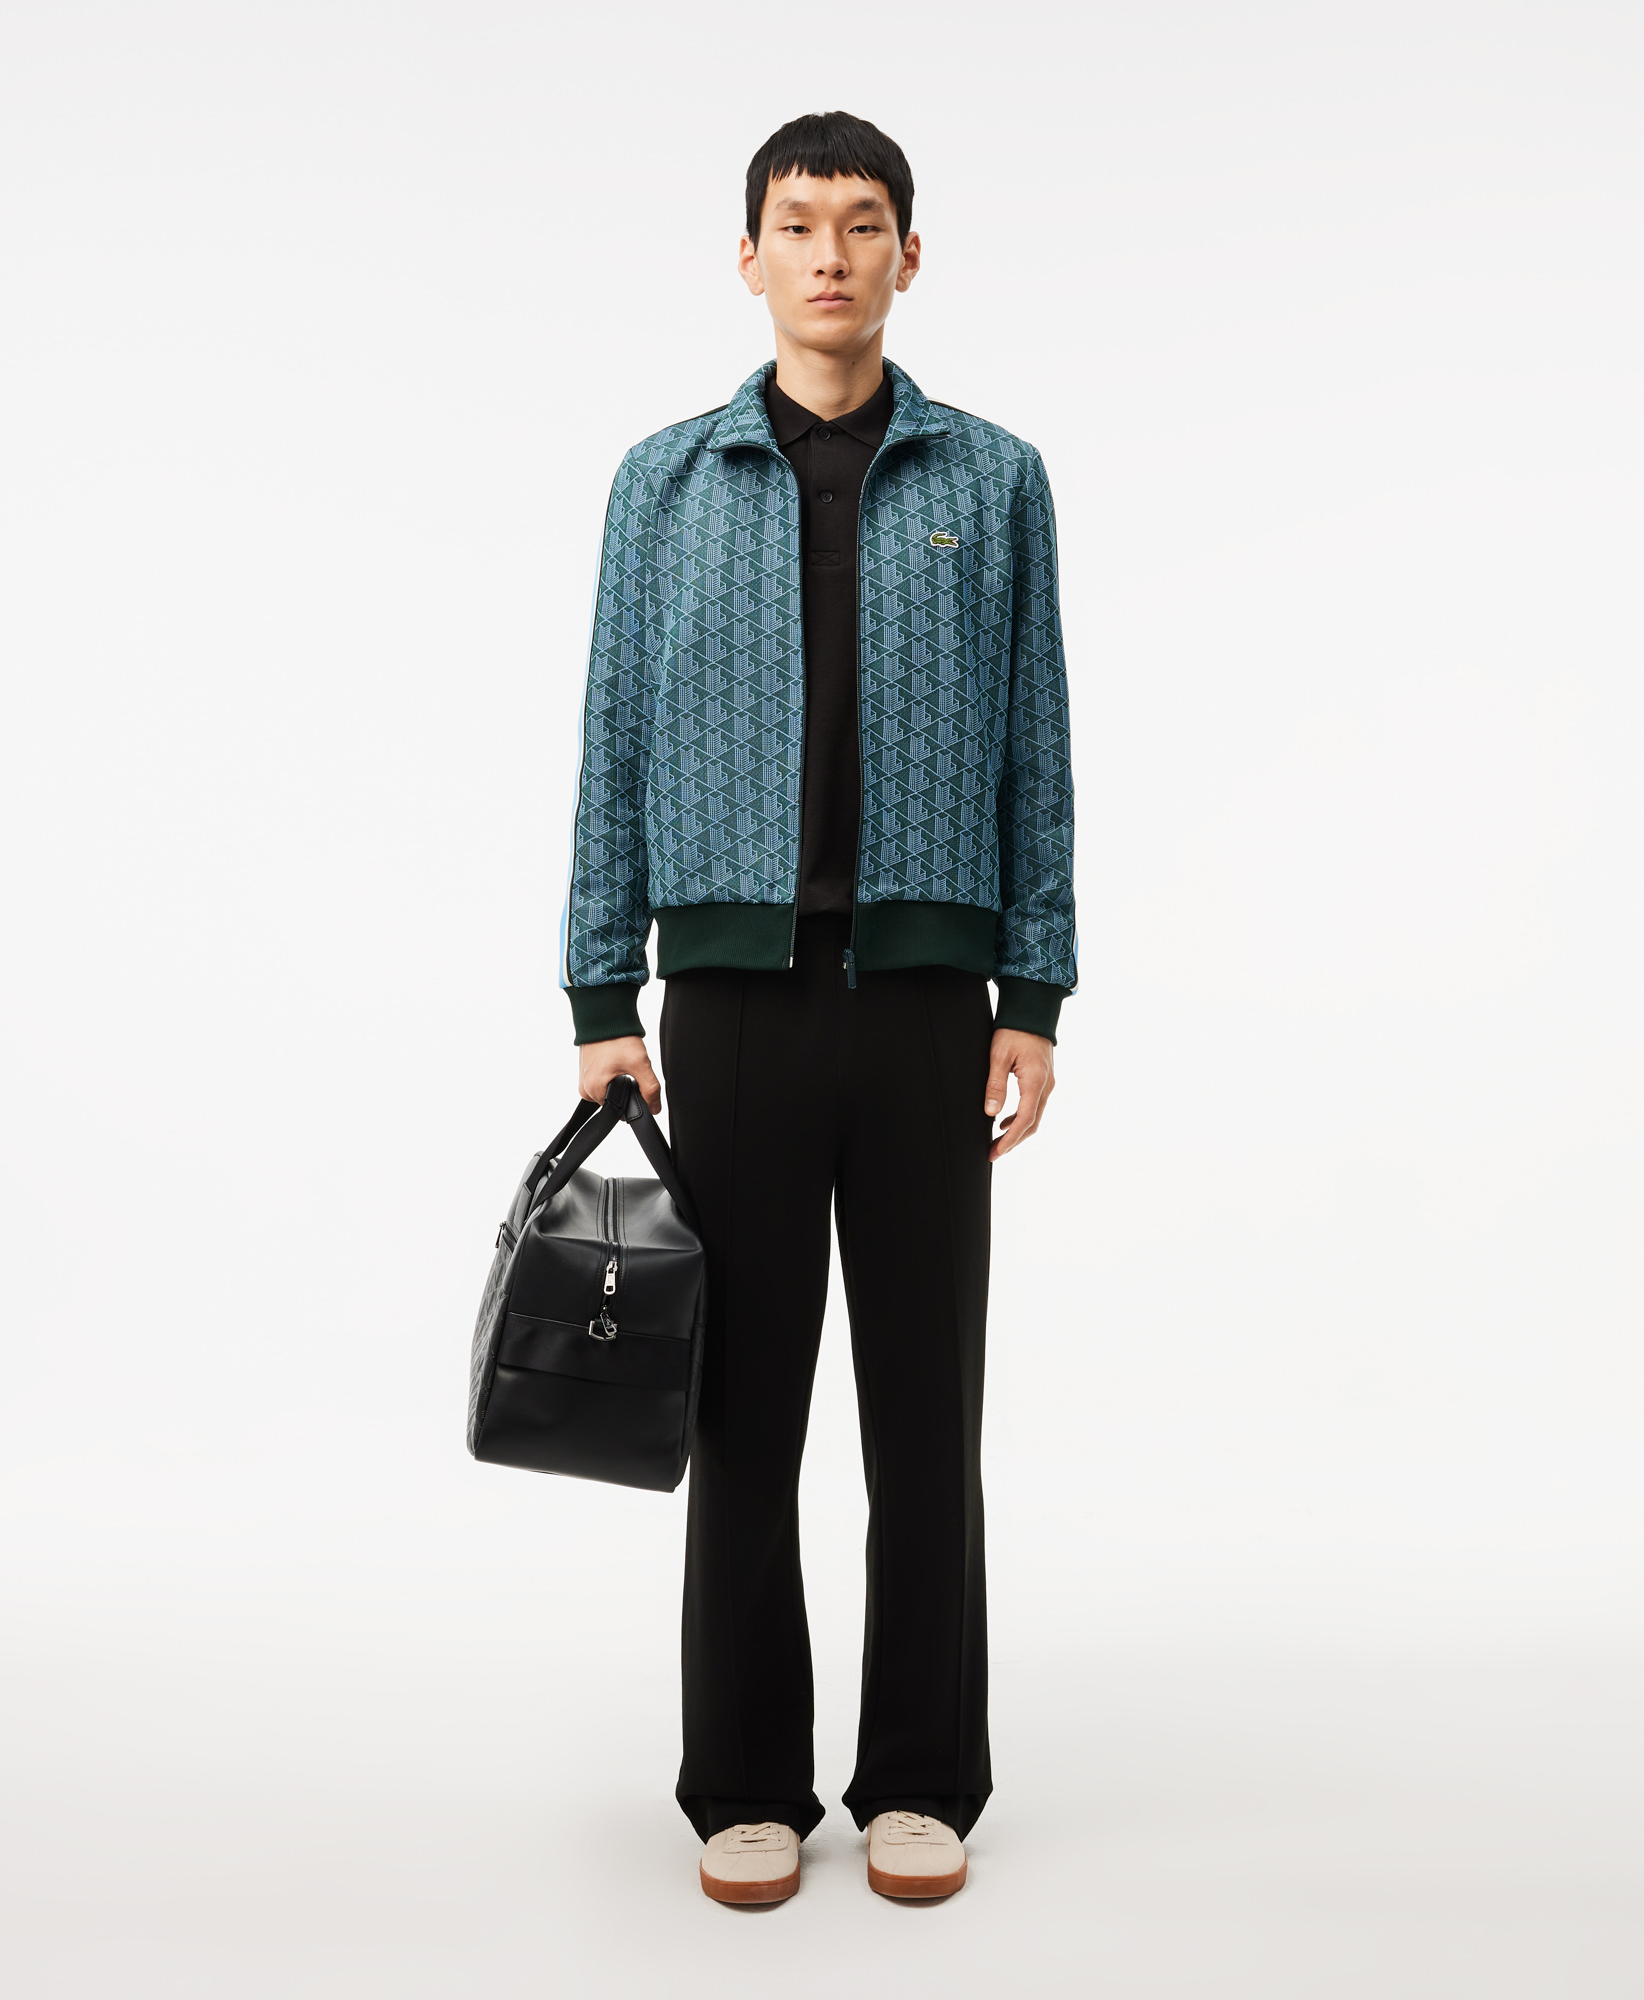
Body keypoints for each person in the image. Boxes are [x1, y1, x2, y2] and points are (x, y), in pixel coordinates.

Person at [558, 110, 1077, 1904]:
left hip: (930, 1007)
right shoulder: (664, 482)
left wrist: (1035, 988)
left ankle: (922, 1777)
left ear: (909, 256)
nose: (832, 254)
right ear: (750, 256)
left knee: (926, 1416)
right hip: (731, 1010)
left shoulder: (993, 477)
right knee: (742, 1416)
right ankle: (744, 1784)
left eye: (864, 224)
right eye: (799, 223)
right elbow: (612, 739)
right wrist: (600, 986)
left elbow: (1036, 746)